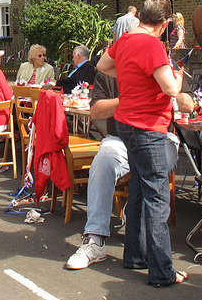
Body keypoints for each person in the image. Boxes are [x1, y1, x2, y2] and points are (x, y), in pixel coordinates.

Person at [96, 0, 187, 287]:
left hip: (127, 124)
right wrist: (180, 74)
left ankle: (134, 255)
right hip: (149, 126)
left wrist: (129, 73)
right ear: (163, 25)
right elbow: (171, 89)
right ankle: (162, 271)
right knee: (157, 200)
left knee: (138, 189)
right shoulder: (153, 45)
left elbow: (102, 65)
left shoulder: (124, 41)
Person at [66, 70, 194, 270]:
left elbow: (189, 105)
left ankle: (145, 240)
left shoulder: (160, 64)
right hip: (120, 139)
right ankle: (95, 239)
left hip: (159, 137)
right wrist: (130, 98)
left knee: (154, 168)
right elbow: (96, 111)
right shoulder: (109, 70)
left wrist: (175, 92)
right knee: (103, 161)